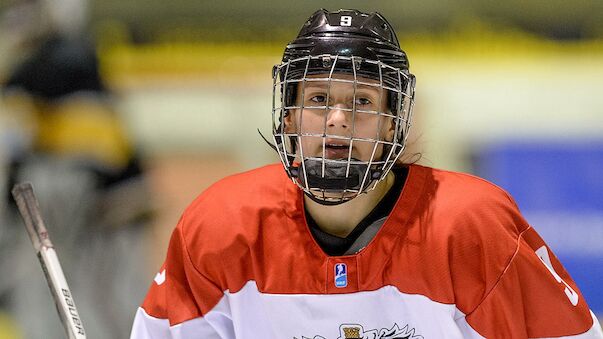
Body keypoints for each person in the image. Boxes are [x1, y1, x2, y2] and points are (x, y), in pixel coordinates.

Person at [130, 9, 603, 339]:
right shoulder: (220, 226)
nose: (337, 119)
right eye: (318, 100)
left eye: (361, 101)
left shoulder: (470, 225)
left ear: (394, 123)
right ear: (288, 117)